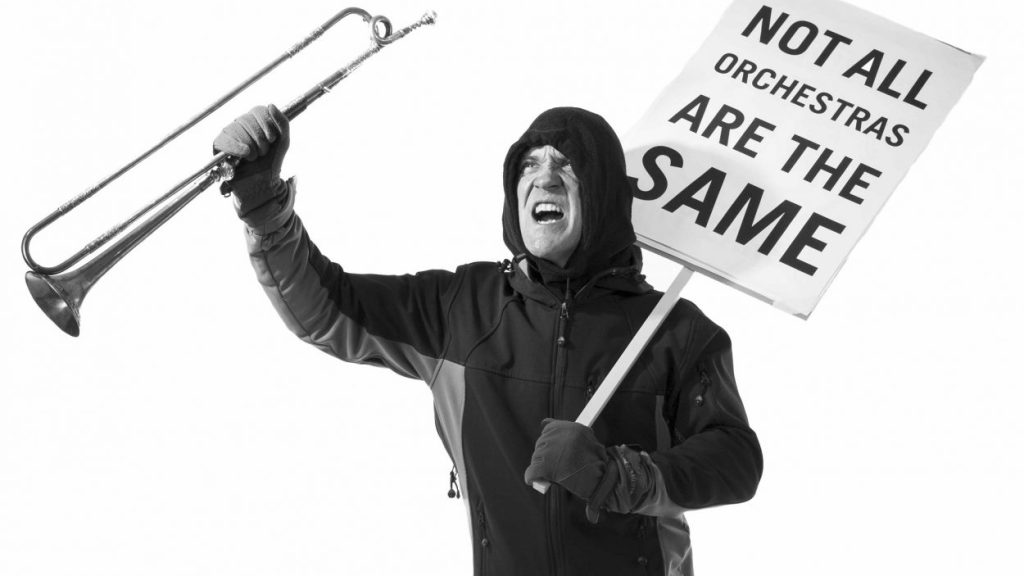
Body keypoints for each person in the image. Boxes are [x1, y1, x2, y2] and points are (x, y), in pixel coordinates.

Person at [214, 104, 763, 576]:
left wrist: (620, 475)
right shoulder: (463, 309)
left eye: (567, 166)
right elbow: (326, 309)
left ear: (603, 195)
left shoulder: (674, 330)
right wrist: (265, 206)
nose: (542, 178)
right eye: (529, 164)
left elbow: (736, 460)